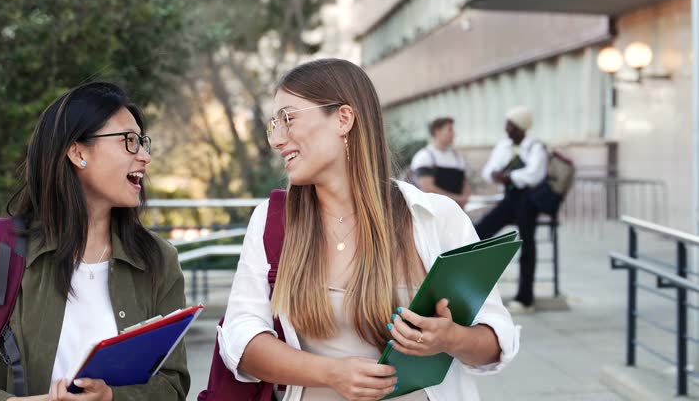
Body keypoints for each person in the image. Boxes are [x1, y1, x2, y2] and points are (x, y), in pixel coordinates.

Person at [218, 59, 519, 401]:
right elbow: (240, 339)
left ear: (343, 119)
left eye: (288, 119)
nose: (277, 140)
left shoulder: (436, 217)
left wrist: (449, 338)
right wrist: (331, 373)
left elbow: (498, 341)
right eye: (274, 125)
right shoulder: (272, 221)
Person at [0, 82, 190, 400]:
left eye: (143, 142)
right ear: (77, 151)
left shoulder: (157, 259)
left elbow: (172, 383)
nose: (145, 157)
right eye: (129, 141)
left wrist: (111, 397)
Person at [475, 106, 548, 314]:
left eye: (510, 124)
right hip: (509, 199)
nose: (506, 128)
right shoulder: (504, 146)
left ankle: (525, 299)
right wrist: (498, 176)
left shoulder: (535, 147)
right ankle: (475, 288)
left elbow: (534, 174)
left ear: (520, 128)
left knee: (527, 246)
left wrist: (510, 177)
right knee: (479, 232)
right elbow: (489, 170)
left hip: (528, 200)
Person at [409, 117, 470, 209]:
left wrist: (464, 199)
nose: (454, 134)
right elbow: (428, 188)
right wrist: (458, 199)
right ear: (437, 131)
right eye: (450, 129)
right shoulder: (424, 156)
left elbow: (464, 183)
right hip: (433, 212)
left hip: (456, 211)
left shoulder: (457, 157)